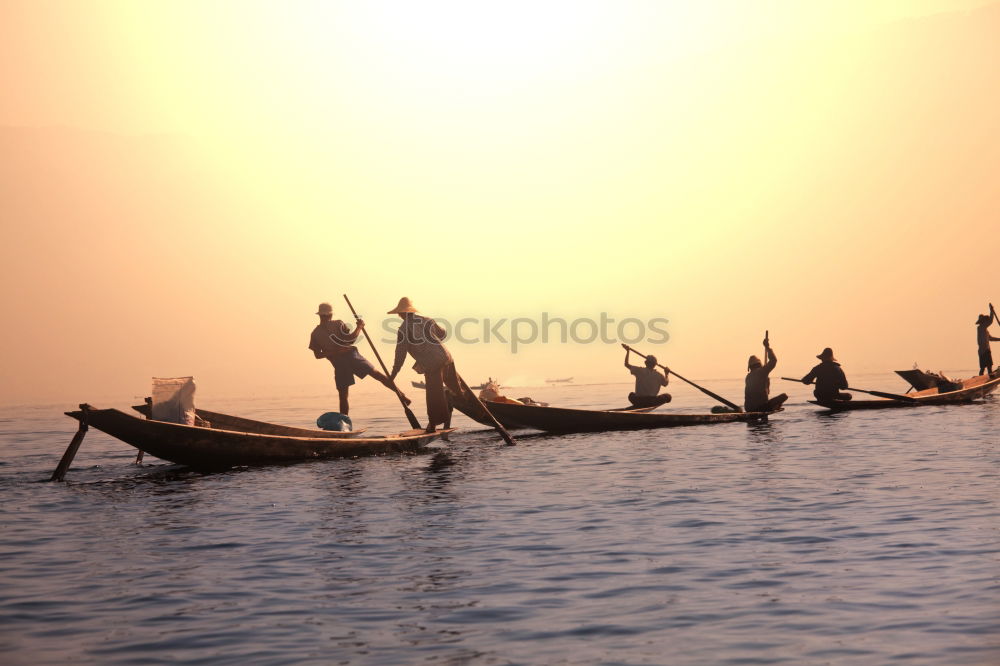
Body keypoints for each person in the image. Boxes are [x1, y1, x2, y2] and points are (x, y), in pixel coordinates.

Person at [308, 302, 408, 415]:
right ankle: (402, 395)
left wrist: (332, 352)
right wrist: (359, 327)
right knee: (377, 375)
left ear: (320, 315)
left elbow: (318, 355)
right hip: (349, 358)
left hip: (341, 361)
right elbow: (351, 340)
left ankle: (344, 423)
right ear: (330, 315)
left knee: (344, 396)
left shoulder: (315, 333)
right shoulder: (334, 325)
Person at [387, 297, 466, 432]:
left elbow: (400, 354)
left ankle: (433, 425)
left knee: (433, 395)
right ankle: (460, 405)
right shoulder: (427, 320)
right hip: (447, 357)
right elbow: (442, 334)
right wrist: (429, 341)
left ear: (404, 313)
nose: (399, 315)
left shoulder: (403, 329)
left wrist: (393, 374)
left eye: (400, 313)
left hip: (432, 363)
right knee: (456, 389)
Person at [745, 337, 788, 413]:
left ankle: (772, 406)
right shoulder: (762, 371)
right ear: (759, 364)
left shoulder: (748, 377)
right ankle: (773, 407)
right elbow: (773, 360)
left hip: (748, 408)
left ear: (750, 367)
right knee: (784, 396)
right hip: (761, 407)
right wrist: (767, 347)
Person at [976, 310, 1000, 376]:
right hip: (983, 351)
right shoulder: (980, 328)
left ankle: (990, 376)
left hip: (986, 350)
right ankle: (980, 379)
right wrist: (991, 311)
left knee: (989, 367)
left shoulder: (985, 330)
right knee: (983, 368)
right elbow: (991, 321)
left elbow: (991, 339)